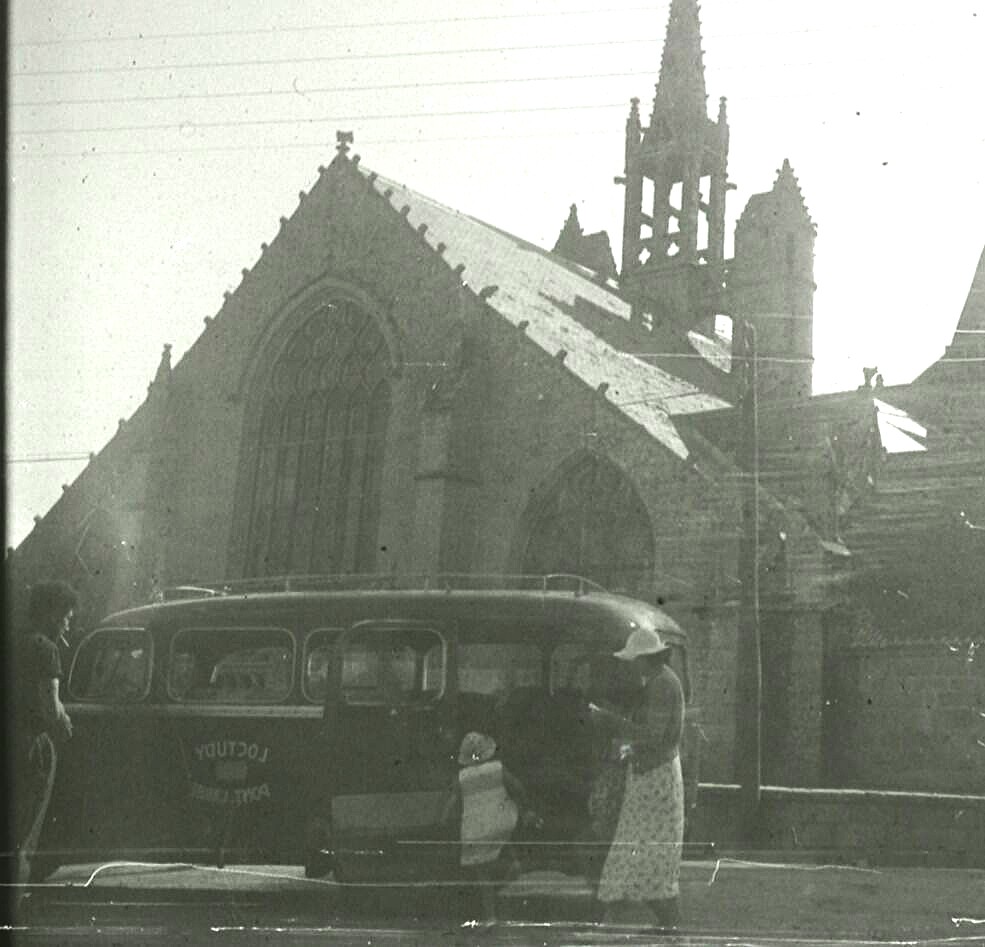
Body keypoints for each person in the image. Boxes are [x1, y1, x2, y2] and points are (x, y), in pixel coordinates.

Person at [589, 627, 685, 930]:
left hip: (654, 779)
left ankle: (667, 925)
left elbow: (653, 736)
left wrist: (611, 721)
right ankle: (655, 923)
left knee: (643, 857)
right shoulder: (661, 681)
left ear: (645, 658)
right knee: (641, 856)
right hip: (652, 774)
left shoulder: (661, 685)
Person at [13, 581, 77, 906]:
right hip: (30, 746)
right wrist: (65, 725)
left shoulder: (13, 638)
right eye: (66, 615)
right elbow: (50, 708)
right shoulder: (46, 649)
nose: (68, 622)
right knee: (25, 829)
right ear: (52, 613)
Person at [446, 731, 535, 928]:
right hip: (500, 820)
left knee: (483, 876)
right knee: (504, 846)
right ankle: (514, 866)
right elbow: (518, 787)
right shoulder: (497, 768)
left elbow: (452, 804)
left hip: (476, 828)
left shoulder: (462, 777)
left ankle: (491, 916)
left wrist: (446, 819)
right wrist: (526, 806)